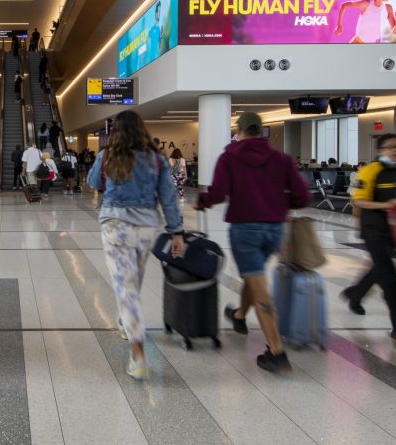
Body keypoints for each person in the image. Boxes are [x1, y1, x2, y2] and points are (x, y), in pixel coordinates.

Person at [197, 112, 311, 373]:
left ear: (239, 130)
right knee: (254, 275)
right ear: (261, 130)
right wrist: (278, 206)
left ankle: (277, 352)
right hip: (274, 230)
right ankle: (239, 316)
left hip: (245, 230)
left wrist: (202, 201)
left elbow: (217, 192)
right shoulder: (282, 160)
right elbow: (302, 196)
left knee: (260, 289)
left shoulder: (229, 157)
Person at [86, 110, 184, 380]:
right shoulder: (157, 159)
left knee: (126, 285)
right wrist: (177, 232)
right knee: (134, 280)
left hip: (116, 225)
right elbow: (168, 197)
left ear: (116, 131)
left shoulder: (108, 154)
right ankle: (124, 322)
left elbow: (93, 181)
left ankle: (138, 354)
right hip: (146, 227)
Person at [342, 134, 396, 338]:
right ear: (380, 151)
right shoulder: (370, 171)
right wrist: (386, 205)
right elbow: (359, 201)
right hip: (375, 229)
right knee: (389, 277)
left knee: (381, 267)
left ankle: (355, 293)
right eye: (391, 147)